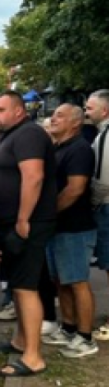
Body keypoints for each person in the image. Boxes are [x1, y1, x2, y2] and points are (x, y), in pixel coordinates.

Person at [0, 90, 56, 377]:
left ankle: (33, 356)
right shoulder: (8, 135)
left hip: (27, 223)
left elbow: (33, 176)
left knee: (26, 287)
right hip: (10, 223)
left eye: (0, 109)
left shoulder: (29, 134)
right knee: (19, 285)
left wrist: (24, 218)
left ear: (18, 110)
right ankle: (21, 340)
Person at [38, 104, 98, 358]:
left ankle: (85, 337)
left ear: (75, 123)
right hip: (57, 227)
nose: (53, 118)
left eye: (60, 115)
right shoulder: (58, 148)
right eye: (53, 114)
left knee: (77, 281)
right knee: (61, 280)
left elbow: (75, 188)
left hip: (74, 227)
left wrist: (50, 212)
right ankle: (69, 328)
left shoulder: (79, 149)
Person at [87, 90, 109, 340]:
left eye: (90, 108)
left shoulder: (105, 137)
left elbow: (102, 180)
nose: (86, 112)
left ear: (104, 111)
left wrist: (92, 204)